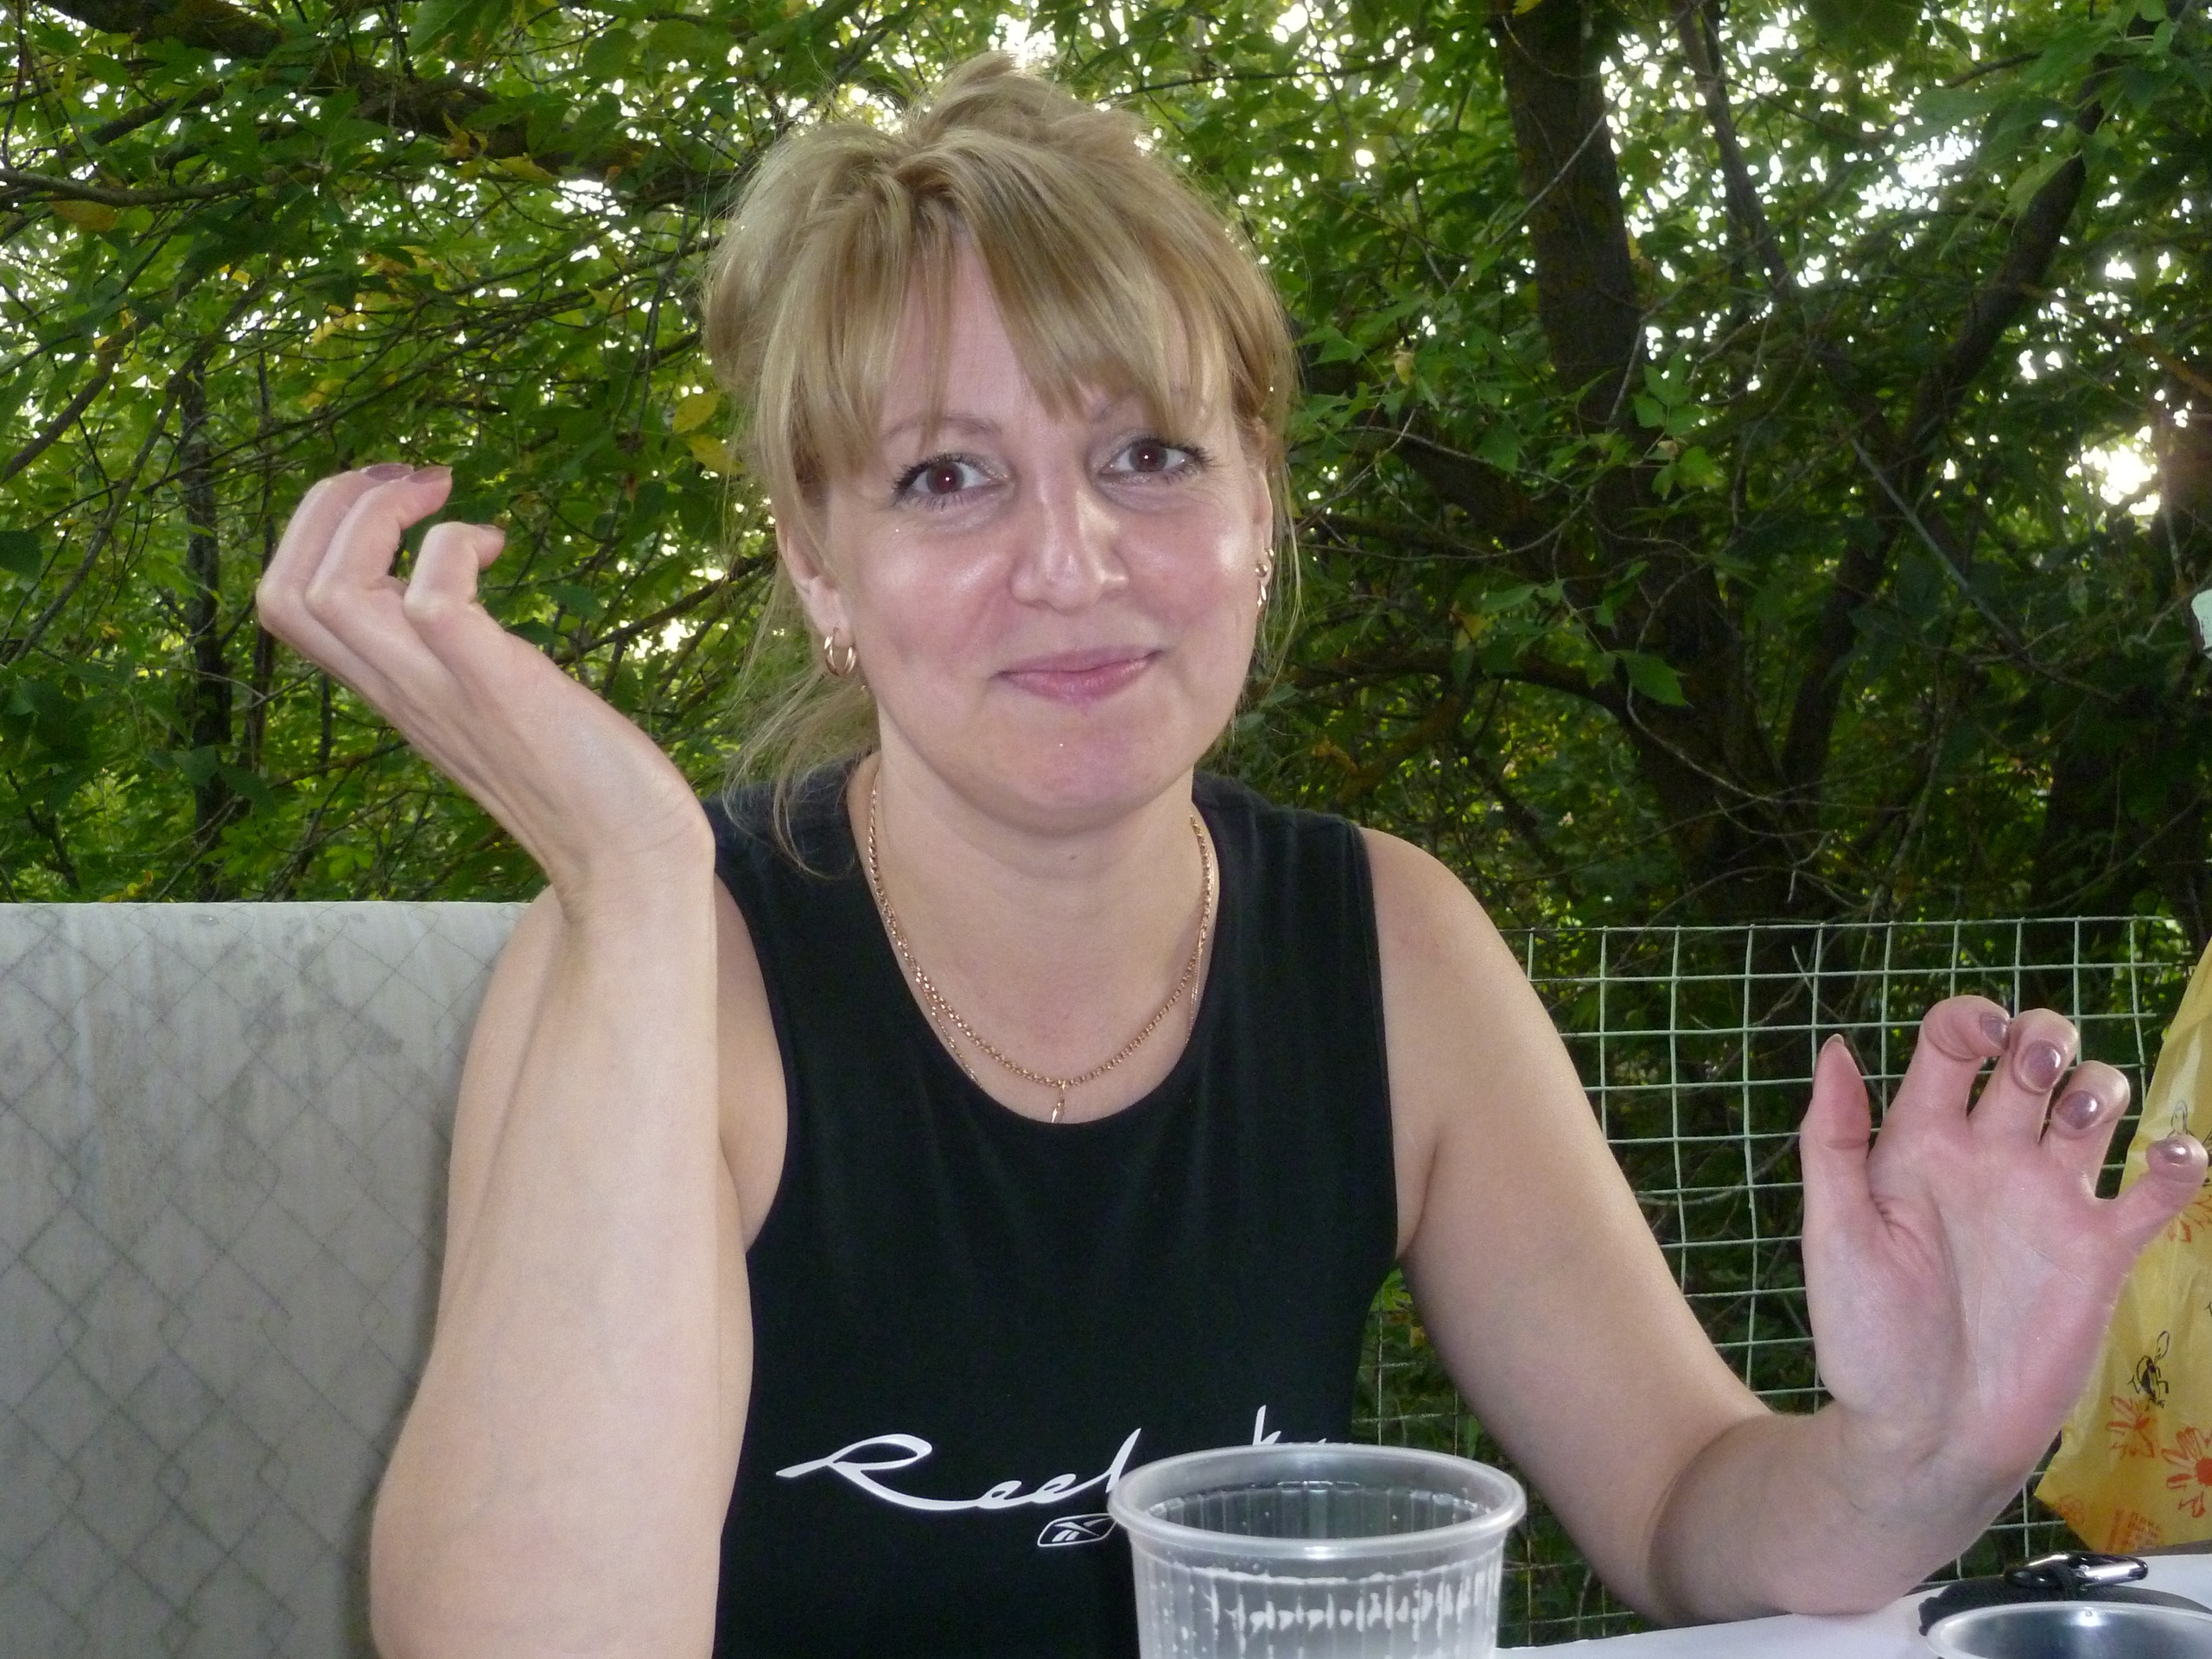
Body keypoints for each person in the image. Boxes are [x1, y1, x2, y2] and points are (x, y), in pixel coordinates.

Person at [256, 54, 2209, 1659]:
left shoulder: (1387, 943)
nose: (1072, 559)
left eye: (1148, 455)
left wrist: (1930, 1440)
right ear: (818, 565)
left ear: (1261, 502)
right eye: (947, 475)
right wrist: (626, 885)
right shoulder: (665, 966)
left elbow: (1692, 1511)